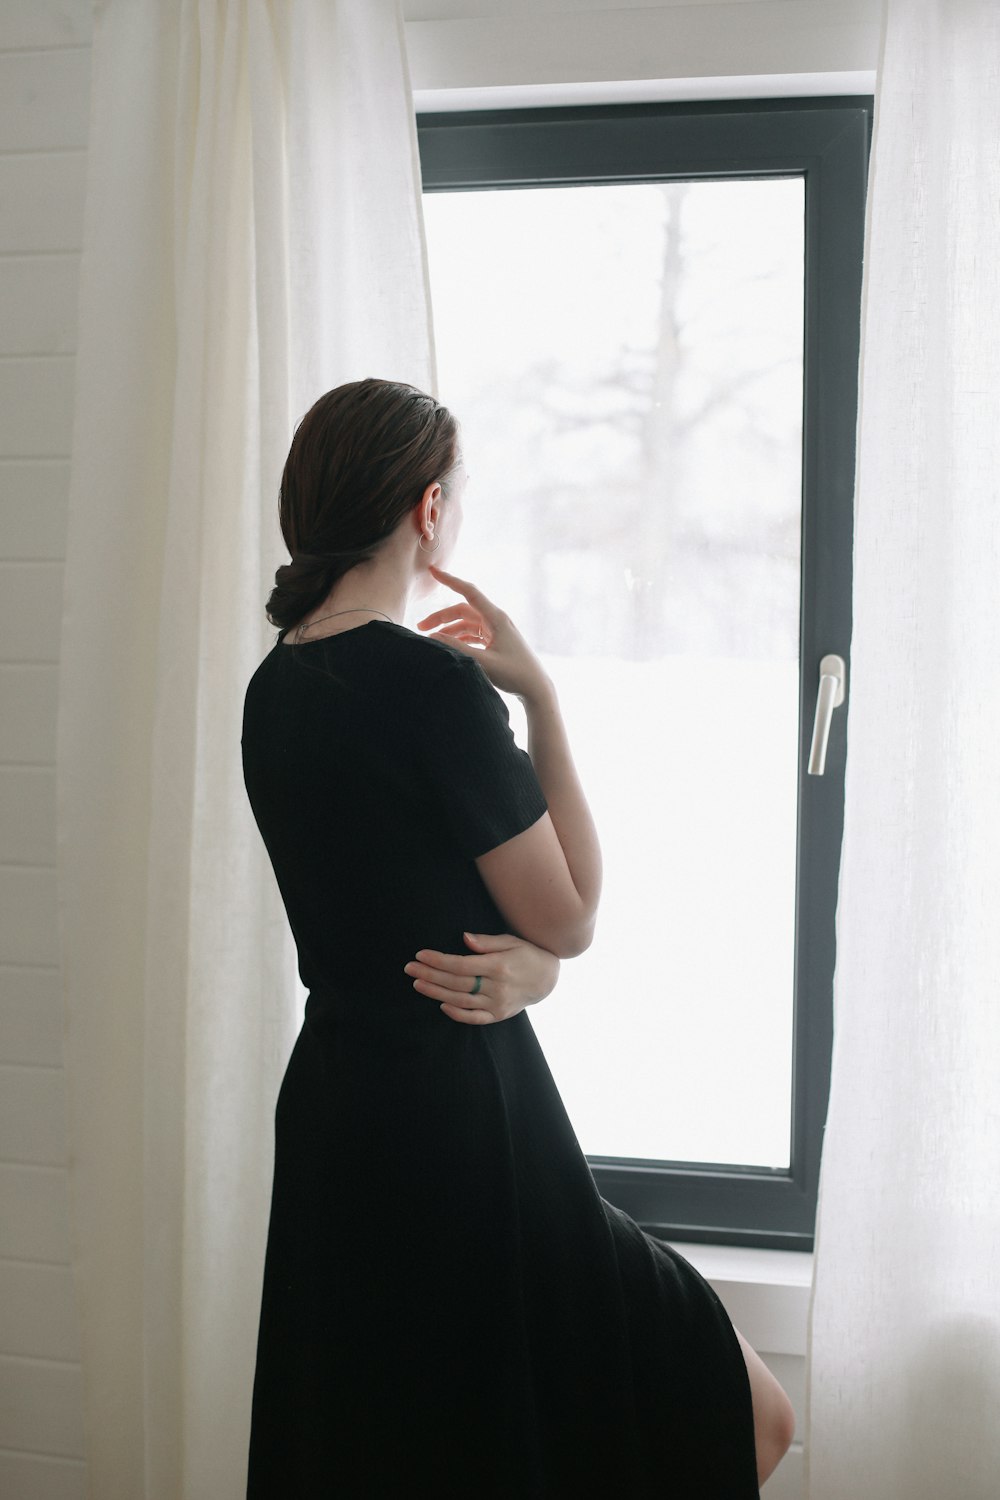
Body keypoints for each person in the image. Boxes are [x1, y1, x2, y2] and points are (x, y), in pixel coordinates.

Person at [241, 377, 794, 1497]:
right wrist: (541, 698)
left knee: (397, 1448)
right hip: (463, 1121)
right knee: (750, 1413)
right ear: (429, 510)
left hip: (342, 1121)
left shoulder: (275, 685)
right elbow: (571, 916)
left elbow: (388, 903)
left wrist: (528, 971)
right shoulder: (431, 685)